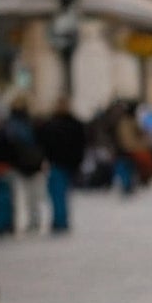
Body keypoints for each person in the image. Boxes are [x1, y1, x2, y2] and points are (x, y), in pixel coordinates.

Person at [36, 99, 87, 234]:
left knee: (57, 194)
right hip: (67, 164)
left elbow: (43, 144)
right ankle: (61, 220)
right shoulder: (74, 124)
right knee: (61, 193)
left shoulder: (52, 124)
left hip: (57, 163)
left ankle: (60, 221)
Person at [4, 100, 47, 233]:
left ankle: (26, 222)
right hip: (30, 163)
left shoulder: (13, 125)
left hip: (21, 164)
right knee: (32, 196)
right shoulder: (31, 123)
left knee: (22, 196)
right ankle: (33, 221)